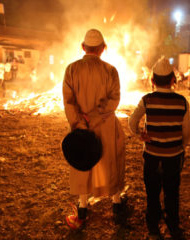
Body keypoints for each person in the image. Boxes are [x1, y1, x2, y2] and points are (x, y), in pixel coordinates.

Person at [62, 29, 126, 229]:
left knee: (83, 164)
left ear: (83, 47)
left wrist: (80, 123)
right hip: (106, 126)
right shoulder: (111, 70)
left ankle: (82, 211)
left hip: (81, 129)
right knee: (110, 163)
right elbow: (114, 100)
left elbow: (69, 102)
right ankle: (116, 206)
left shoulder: (71, 70)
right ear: (103, 48)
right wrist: (96, 117)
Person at [128, 56, 190, 240]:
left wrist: (139, 134)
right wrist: (180, 146)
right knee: (172, 192)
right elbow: (187, 133)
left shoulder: (147, 100)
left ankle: (153, 227)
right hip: (173, 156)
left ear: (152, 80)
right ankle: (173, 226)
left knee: (152, 192)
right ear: (173, 80)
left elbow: (132, 121)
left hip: (152, 156)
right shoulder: (182, 102)